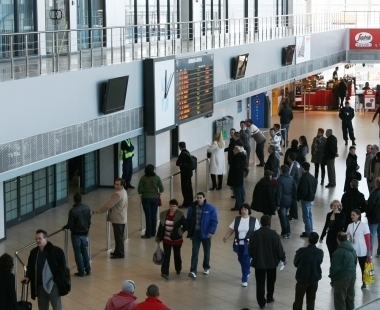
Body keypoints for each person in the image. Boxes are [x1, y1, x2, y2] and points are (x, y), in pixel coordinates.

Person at [23, 229, 69, 310]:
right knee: (42, 307)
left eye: (40, 238)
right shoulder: (34, 252)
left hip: (53, 285)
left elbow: (62, 268)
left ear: (46, 239)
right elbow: (30, 266)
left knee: (56, 306)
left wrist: (57, 281)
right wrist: (28, 276)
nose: (37, 240)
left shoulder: (56, 251)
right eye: (36, 239)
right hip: (40, 286)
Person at [249, 215, 286, 309]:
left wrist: (253, 256)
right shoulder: (274, 235)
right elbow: (279, 249)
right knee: (271, 281)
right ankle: (269, 297)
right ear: (269, 223)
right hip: (272, 263)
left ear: (261, 223)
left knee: (260, 283)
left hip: (259, 263)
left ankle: (261, 302)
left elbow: (250, 249)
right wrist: (283, 258)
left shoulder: (254, 234)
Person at [222, 203, 260, 287]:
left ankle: (244, 278)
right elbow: (231, 229)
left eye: (245, 209)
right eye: (242, 209)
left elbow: (258, 233)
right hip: (238, 244)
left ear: (249, 211)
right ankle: (247, 271)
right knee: (241, 259)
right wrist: (226, 237)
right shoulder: (237, 219)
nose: (244, 211)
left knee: (245, 260)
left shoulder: (254, 220)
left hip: (249, 245)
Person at [92, 178, 128, 258]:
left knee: (118, 237)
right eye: (115, 184)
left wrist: (98, 210)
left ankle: (120, 253)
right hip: (122, 217)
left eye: (118, 184)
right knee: (119, 236)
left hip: (118, 218)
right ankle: (117, 251)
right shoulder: (123, 191)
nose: (116, 185)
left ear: (122, 185)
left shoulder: (118, 194)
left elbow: (108, 205)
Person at [187, 192, 218, 278]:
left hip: (206, 234)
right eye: (197, 197)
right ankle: (193, 270)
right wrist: (190, 233)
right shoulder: (192, 208)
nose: (199, 199)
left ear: (204, 198)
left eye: (200, 197)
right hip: (196, 233)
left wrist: (211, 232)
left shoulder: (210, 208)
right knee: (195, 252)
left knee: (206, 251)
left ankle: (206, 267)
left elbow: (214, 221)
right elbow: (189, 220)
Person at [155, 199, 188, 280]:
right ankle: (165, 272)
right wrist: (158, 237)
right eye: (171, 206)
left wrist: (180, 232)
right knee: (166, 255)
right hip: (166, 239)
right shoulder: (164, 214)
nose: (172, 208)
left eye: (174, 206)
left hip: (177, 240)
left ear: (176, 207)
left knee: (177, 255)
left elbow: (186, 225)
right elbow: (161, 226)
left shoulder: (180, 215)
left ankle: (178, 269)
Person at [63, 192, 91, 277]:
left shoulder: (73, 211)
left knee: (77, 252)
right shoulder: (87, 208)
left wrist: (65, 227)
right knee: (84, 250)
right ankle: (88, 268)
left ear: (74, 200)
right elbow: (89, 221)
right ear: (81, 199)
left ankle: (81, 271)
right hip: (85, 233)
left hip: (76, 234)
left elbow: (70, 224)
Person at [293, 232, 324, 310]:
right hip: (314, 278)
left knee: (298, 300)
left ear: (308, 240)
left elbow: (296, 263)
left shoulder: (301, 251)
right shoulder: (320, 252)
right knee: (311, 300)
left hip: (302, 278)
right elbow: (319, 262)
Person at [329, 232, 357, 309]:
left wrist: (332, 277)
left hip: (342, 278)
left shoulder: (338, 252)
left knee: (340, 300)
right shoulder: (352, 250)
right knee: (350, 298)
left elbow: (334, 267)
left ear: (338, 240)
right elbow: (355, 262)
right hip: (352, 276)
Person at [346, 209, 371, 289]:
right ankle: (352, 281)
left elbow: (367, 239)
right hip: (352, 249)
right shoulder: (350, 225)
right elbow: (347, 236)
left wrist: (368, 251)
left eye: (353, 215)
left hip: (362, 250)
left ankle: (364, 282)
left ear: (358, 215)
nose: (352, 216)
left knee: (363, 267)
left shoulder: (364, 225)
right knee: (352, 267)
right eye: (351, 215)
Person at [138, 164, 164, 239]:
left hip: (145, 199)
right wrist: (159, 194)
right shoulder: (157, 178)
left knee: (148, 216)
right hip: (155, 199)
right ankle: (153, 232)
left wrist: (142, 195)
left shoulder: (143, 178)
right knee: (154, 215)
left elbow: (139, 189)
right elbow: (162, 189)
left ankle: (148, 233)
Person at [297, 162, 317, 237]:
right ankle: (310, 230)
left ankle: (308, 232)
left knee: (306, 216)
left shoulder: (303, 178)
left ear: (303, 168)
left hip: (306, 200)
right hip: (311, 198)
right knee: (309, 215)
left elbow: (303, 190)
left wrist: (301, 197)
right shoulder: (312, 177)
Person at [227, 141, 247, 211]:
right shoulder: (241, 157)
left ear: (237, 151)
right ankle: (240, 203)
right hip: (239, 177)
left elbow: (235, 168)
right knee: (240, 191)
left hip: (236, 178)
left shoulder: (237, 158)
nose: (233, 150)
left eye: (234, 149)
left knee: (237, 192)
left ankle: (238, 206)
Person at [276, 165, 295, 238]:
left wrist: (277, 203)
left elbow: (279, 193)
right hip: (289, 200)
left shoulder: (280, 179)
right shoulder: (291, 178)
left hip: (282, 201)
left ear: (281, 170)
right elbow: (294, 189)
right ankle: (288, 232)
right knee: (286, 216)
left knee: (282, 217)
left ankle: (284, 233)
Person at [176, 142, 194, 208]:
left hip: (184, 173)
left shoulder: (182, 154)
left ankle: (186, 203)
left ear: (179, 147)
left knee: (185, 188)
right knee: (189, 186)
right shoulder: (187, 152)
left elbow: (177, 163)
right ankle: (190, 201)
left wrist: (181, 164)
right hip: (189, 172)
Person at [367, 177, 380, 257]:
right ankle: (379, 252)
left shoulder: (374, 193)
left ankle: (370, 253)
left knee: (372, 236)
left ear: (376, 183)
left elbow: (370, 206)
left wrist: (368, 215)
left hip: (374, 218)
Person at [288, 153, 301, 221]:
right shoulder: (297, 163)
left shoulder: (293, 165)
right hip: (297, 184)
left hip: (294, 185)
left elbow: (290, 175)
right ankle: (293, 214)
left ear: (290, 158)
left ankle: (293, 214)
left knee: (293, 200)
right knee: (294, 200)